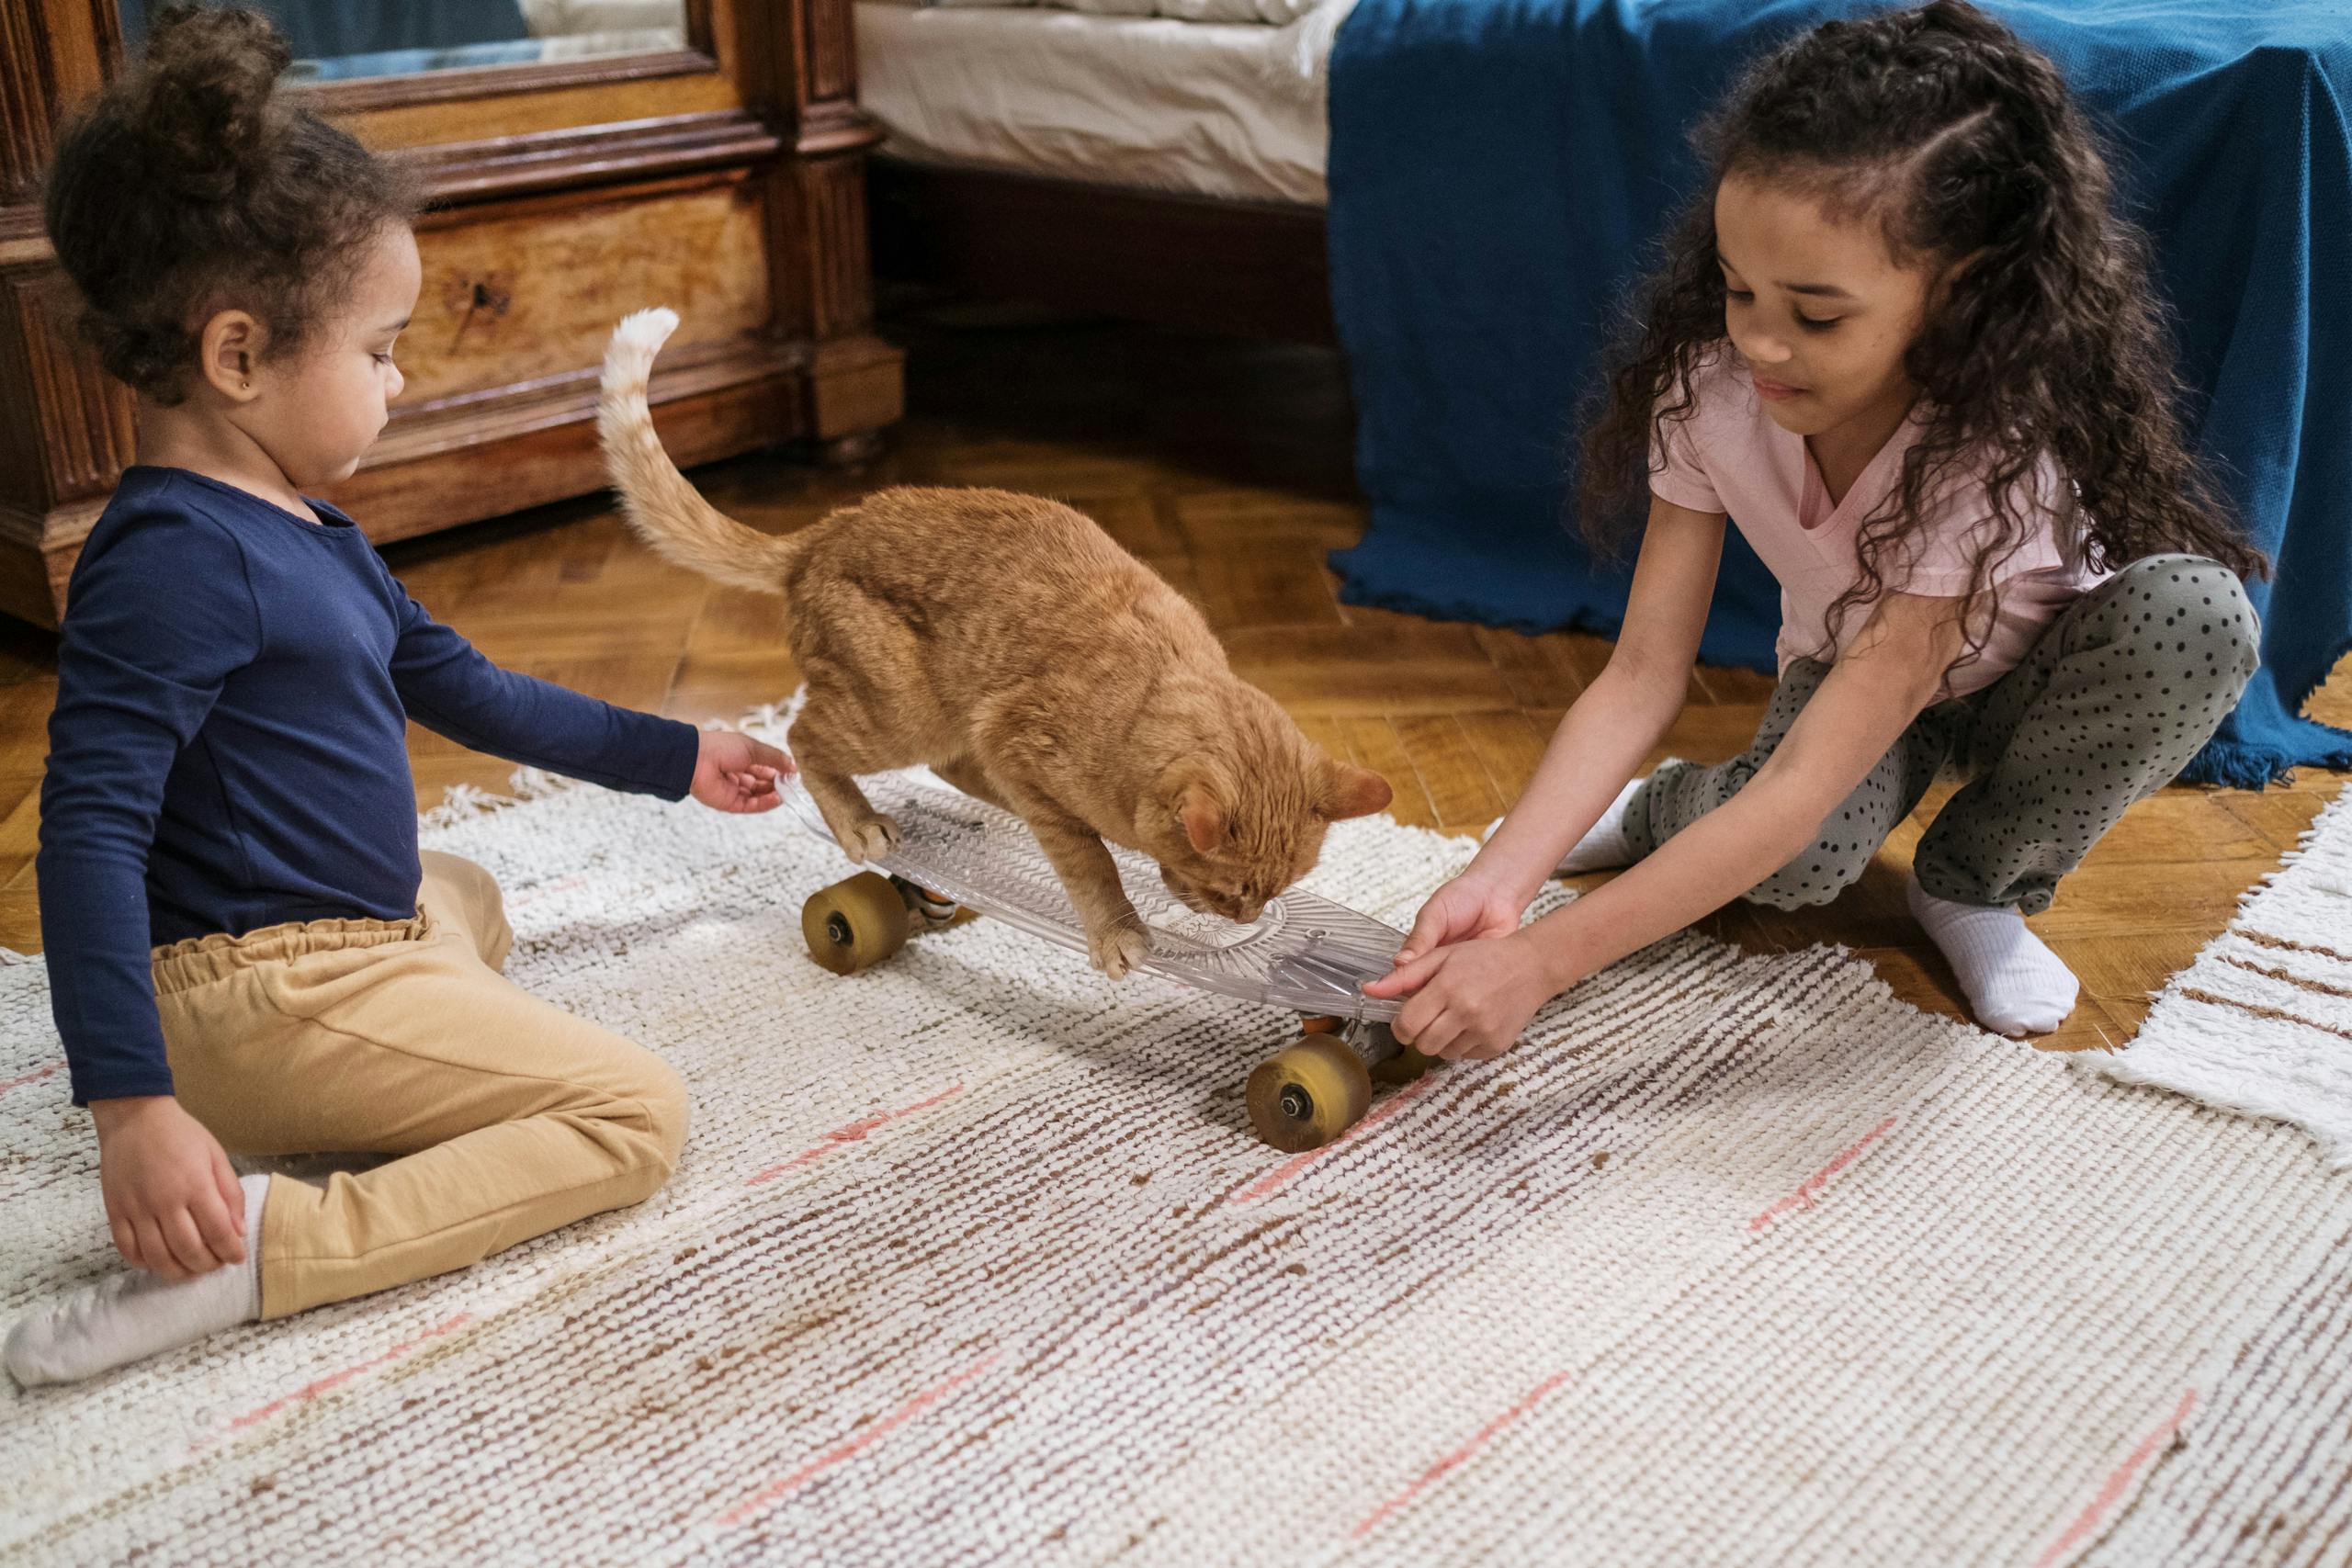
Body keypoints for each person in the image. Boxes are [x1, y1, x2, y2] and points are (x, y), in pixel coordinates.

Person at [6, 5, 792, 1387]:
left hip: (324, 945)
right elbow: (88, 831)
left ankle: (376, 1041)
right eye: (379, 351)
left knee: (464, 886)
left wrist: (683, 753)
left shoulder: (306, 529)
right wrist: (130, 1105)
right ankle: (263, 1243)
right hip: (251, 998)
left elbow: (473, 693)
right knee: (634, 1112)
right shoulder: (173, 564)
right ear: (238, 357)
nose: (401, 378)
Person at [1368, 0, 2262, 1058]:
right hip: (1851, 680)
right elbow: (1643, 673)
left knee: (2197, 615)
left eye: (1816, 315)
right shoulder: (1708, 393)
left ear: (1957, 291)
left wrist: (1543, 962)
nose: (1759, 342)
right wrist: (1497, 881)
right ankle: (1670, 808)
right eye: (1738, 289)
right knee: (1792, 865)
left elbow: (1797, 788)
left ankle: (1977, 885)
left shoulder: (1988, 445)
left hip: (2040, 685)